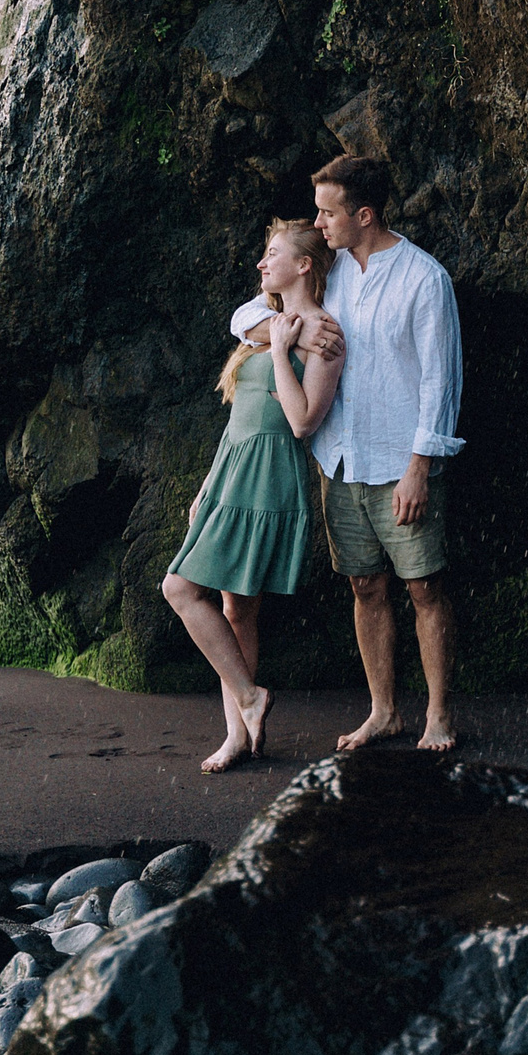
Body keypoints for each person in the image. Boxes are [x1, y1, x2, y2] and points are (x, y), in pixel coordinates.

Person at [229, 154, 464, 753]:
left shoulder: (423, 278)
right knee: (364, 587)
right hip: (340, 462)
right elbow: (248, 317)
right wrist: (297, 332)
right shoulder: (328, 273)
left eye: (328, 212)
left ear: (364, 214)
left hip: (401, 465)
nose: (319, 221)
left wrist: (421, 469)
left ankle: (437, 715)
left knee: (425, 590)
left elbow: (441, 381)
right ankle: (383, 711)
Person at [164, 220, 342, 773]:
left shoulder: (327, 336)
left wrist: (292, 342)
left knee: (179, 588)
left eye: (272, 255)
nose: (262, 264)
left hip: (268, 475)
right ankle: (238, 736)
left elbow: (303, 422)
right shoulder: (263, 322)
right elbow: (237, 418)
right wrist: (206, 486)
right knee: (235, 607)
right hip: (232, 471)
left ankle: (250, 697)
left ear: (304, 265)